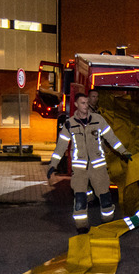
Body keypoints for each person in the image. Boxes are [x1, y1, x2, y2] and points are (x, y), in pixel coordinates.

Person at [47, 91, 132, 233]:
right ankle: (81, 227)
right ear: (76, 105)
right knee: (80, 200)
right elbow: (60, 147)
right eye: (83, 103)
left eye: (87, 103)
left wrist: (124, 152)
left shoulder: (98, 120)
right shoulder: (69, 125)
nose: (86, 106)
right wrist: (52, 165)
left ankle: (107, 222)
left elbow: (112, 138)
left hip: (98, 168)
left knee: (105, 200)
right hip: (79, 170)